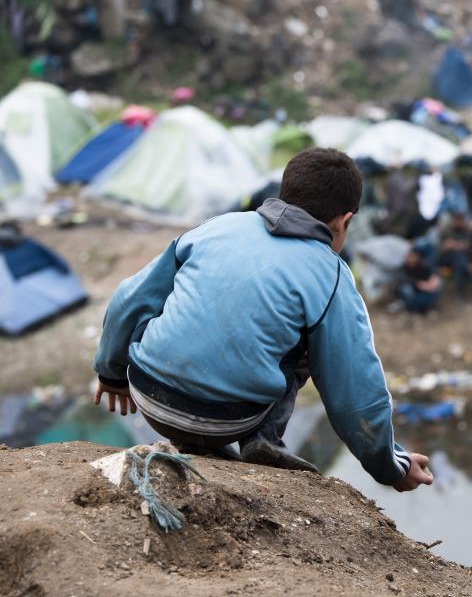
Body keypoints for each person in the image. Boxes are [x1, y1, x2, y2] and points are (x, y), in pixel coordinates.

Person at [92, 148, 433, 493]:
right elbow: (354, 385)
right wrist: (390, 466)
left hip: (149, 395)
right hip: (227, 419)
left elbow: (128, 298)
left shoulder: (218, 226)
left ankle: (196, 443)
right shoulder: (331, 274)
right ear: (344, 221)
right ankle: (263, 437)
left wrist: (111, 372)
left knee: (166, 299)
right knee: (309, 341)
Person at [437, 211, 472, 301]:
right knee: (457, 257)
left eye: (461, 221)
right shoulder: (446, 230)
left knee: (458, 261)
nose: (459, 223)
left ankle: (460, 293)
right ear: (453, 221)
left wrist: (454, 245)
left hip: (461, 258)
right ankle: (469, 274)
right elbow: (441, 247)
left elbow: (469, 246)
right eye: (457, 221)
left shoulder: (468, 230)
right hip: (446, 258)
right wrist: (457, 245)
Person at [396, 246, 441, 313]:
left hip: (424, 290)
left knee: (438, 284)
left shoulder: (423, 265)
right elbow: (402, 278)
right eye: (409, 256)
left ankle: (427, 307)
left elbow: (434, 271)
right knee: (406, 289)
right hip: (413, 290)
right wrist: (418, 283)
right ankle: (412, 309)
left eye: (412, 256)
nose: (410, 258)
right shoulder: (402, 267)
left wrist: (433, 280)